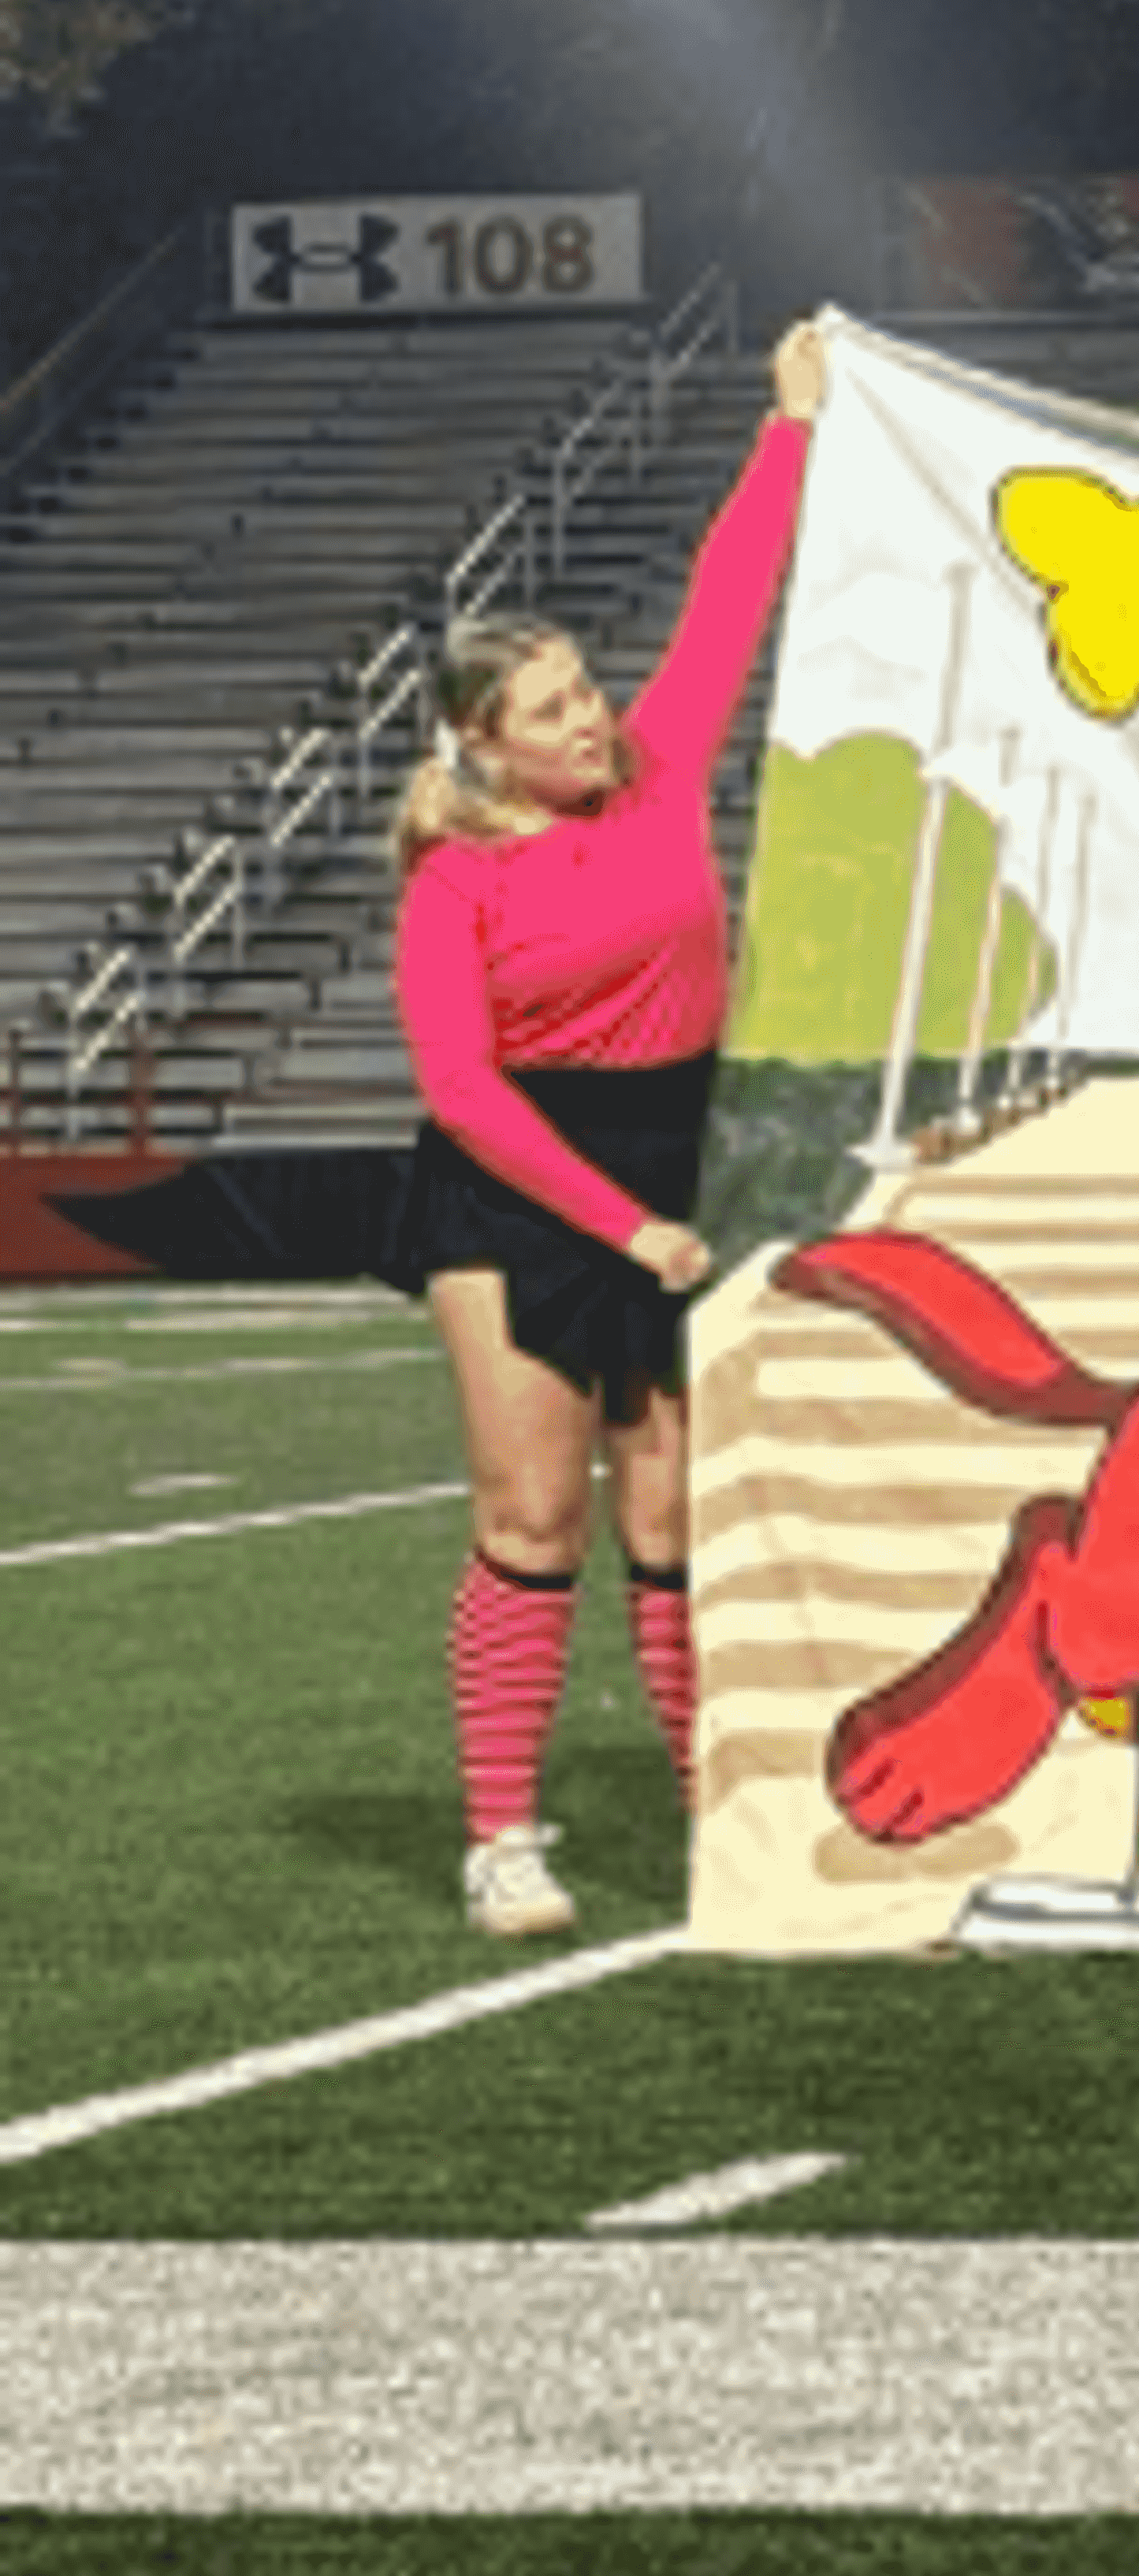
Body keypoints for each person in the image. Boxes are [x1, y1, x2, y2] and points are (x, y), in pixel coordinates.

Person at [389, 315, 824, 1939]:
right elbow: (462, 1089)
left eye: (584, 688)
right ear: (487, 745)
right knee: (535, 1514)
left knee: (673, 1512)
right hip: (516, 1188)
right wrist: (620, 1221)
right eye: (554, 709)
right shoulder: (457, 880)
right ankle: (502, 1835)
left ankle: (719, 1812)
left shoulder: (660, 768)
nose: (590, 717)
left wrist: (787, 427)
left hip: (674, 1154)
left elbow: (730, 593)